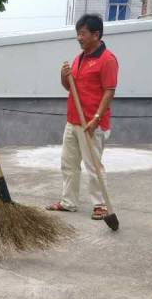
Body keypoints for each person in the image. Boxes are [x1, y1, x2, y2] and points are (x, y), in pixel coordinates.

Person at [46, 13, 118, 220]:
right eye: (78, 33)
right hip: (73, 120)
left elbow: (109, 91)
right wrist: (63, 75)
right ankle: (68, 202)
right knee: (68, 163)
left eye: (83, 33)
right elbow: (70, 88)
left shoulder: (107, 60)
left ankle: (100, 205)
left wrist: (96, 118)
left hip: (92, 123)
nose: (79, 37)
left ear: (96, 34)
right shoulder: (79, 59)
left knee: (93, 165)